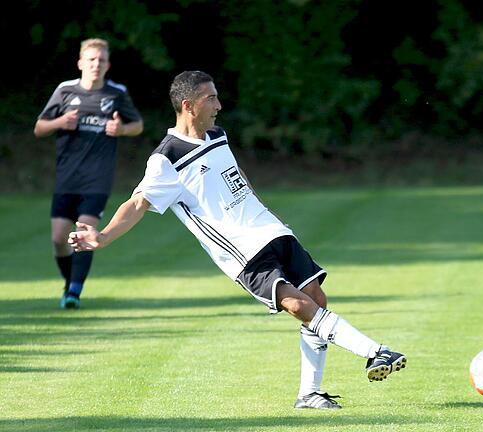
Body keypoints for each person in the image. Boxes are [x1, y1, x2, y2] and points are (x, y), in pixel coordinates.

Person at [68, 70, 407, 409]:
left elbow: (237, 177)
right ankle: (375, 352)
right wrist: (103, 236)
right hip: (241, 250)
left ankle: (310, 394)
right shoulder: (166, 158)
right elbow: (137, 203)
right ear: (188, 105)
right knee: (294, 303)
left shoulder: (217, 134)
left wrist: (267, 213)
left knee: (316, 296)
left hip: (270, 230)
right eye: (210, 98)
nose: (218, 104)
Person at [34, 38, 144, 309]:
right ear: (81, 63)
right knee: (59, 239)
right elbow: (39, 128)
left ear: (108, 65)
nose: (96, 65)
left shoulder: (115, 93)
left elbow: (138, 125)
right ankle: (69, 282)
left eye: (101, 60)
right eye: (92, 60)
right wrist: (61, 121)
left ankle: (74, 292)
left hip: (98, 179)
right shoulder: (65, 91)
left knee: (84, 231)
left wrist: (121, 130)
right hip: (67, 178)